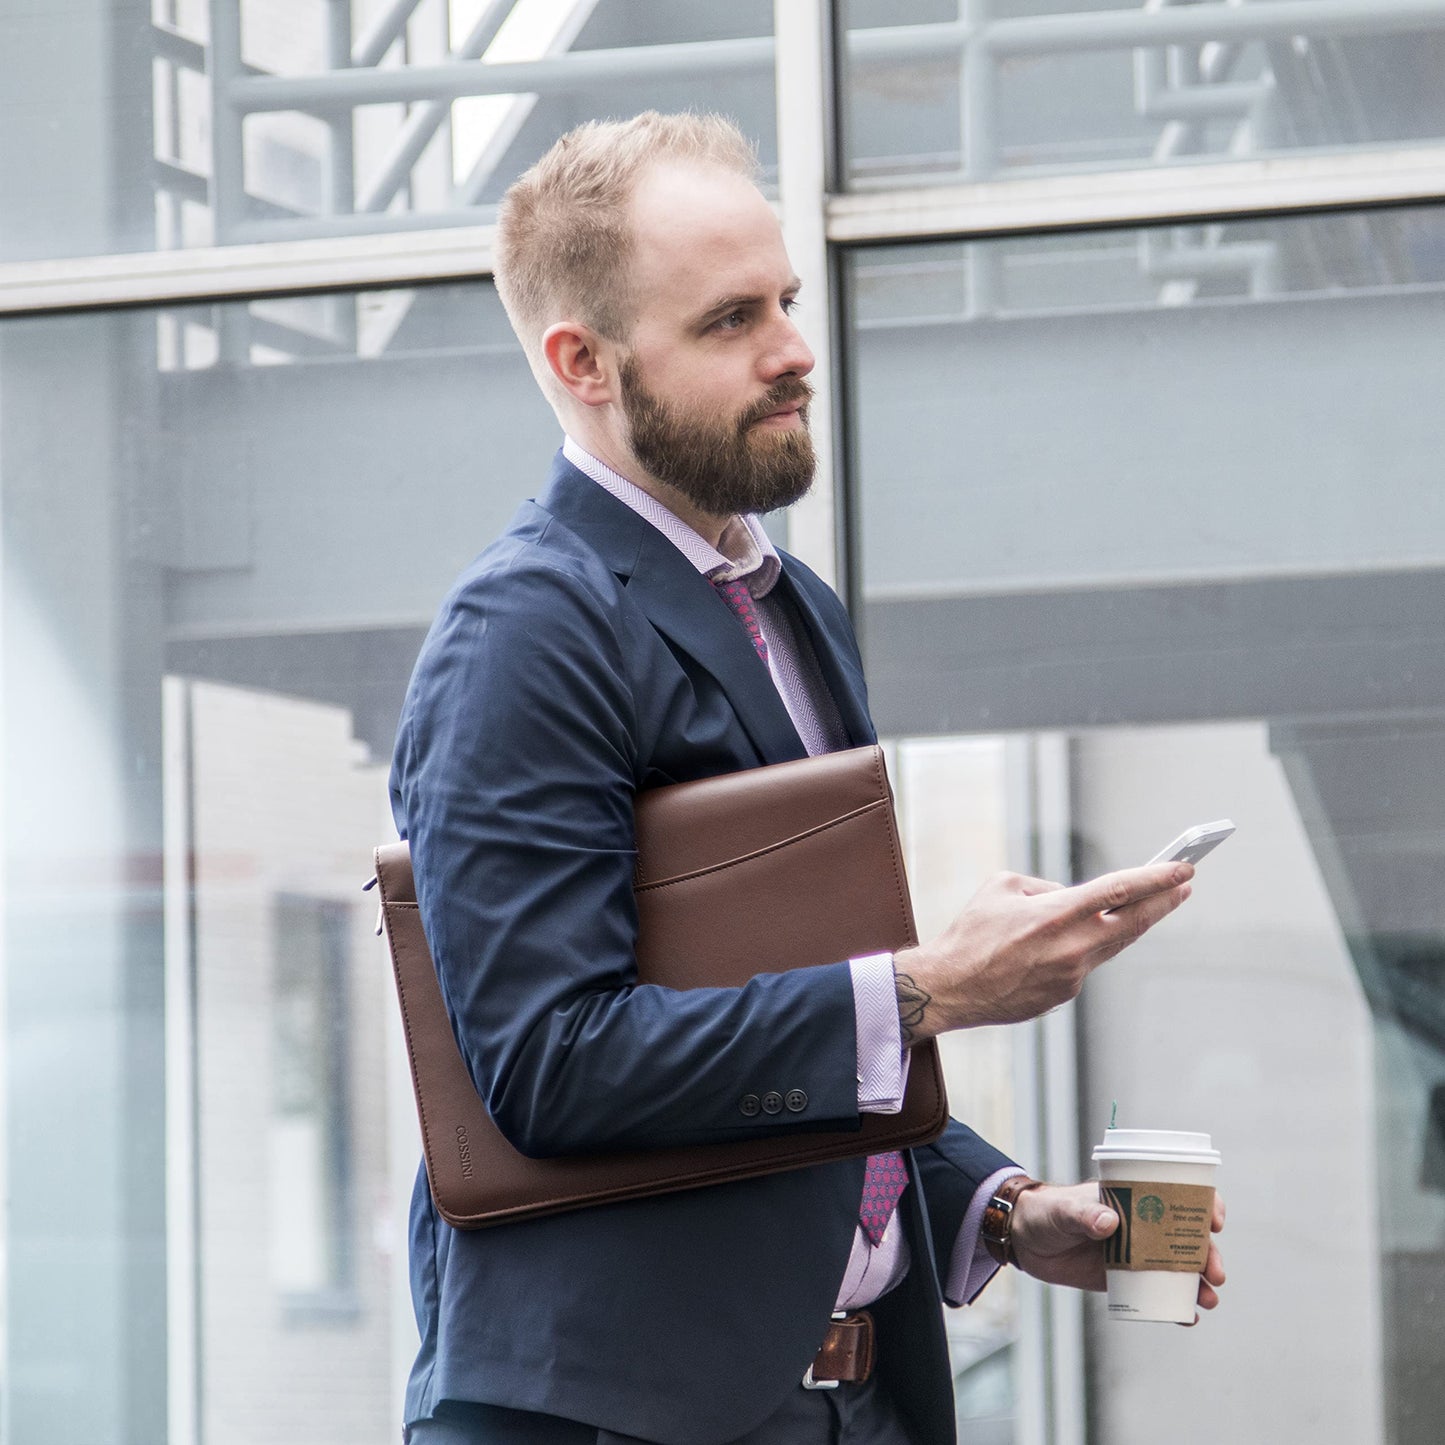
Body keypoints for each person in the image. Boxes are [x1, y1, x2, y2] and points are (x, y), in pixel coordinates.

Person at [390, 111, 1225, 1445]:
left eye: (783, 299)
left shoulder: (789, 605)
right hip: (618, 1422)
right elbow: (548, 1062)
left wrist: (996, 1208)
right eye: (730, 320)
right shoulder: (522, 633)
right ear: (581, 360)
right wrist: (936, 984)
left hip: (847, 1403)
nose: (793, 349)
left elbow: (795, 1029)